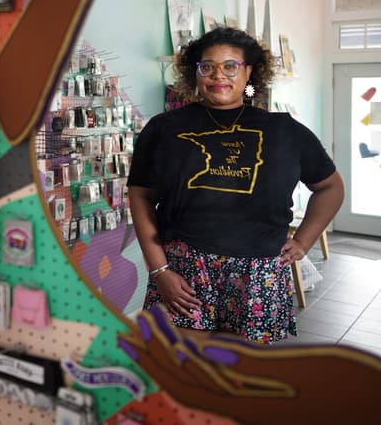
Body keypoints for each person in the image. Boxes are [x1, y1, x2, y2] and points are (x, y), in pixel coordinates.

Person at [127, 27, 344, 344]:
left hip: (257, 270)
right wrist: (159, 271)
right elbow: (140, 195)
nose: (219, 75)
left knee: (240, 373)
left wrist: (304, 241)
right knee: (184, 366)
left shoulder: (285, 131)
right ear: (195, 72)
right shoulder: (165, 128)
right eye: (207, 66)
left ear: (249, 72)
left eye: (230, 66)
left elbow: (331, 187)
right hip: (185, 267)